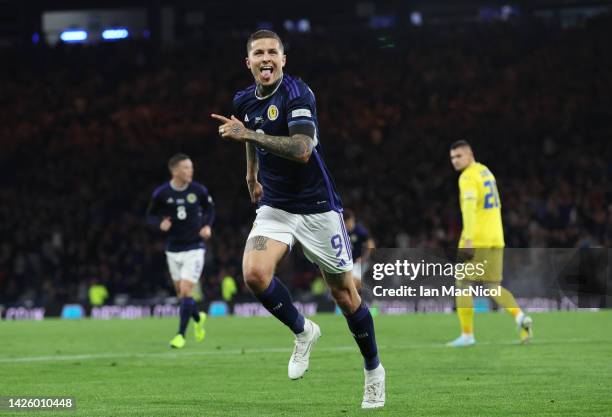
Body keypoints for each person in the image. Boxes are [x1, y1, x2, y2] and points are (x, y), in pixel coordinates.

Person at [211, 30, 385, 408]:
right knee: (254, 274)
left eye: (273, 51)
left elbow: (303, 150)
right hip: (275, 206)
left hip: (318, 208)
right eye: (259, 53)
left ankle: (373, 370)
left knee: (345, 295)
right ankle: (303, 330)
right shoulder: (243, 99)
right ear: (249, 62)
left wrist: (249, 136)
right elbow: (249, 137)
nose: (266, 58)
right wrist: (251, 175)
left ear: (283, 59)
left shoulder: (297, 94)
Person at [448, 140, 533, 347]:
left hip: (476, 239)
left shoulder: (467, 177)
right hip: (496, 237)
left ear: (470, 155)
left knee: (462, 285)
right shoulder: (486, 172)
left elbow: (468, 209)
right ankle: (521, 318)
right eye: (452, 158)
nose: (455, 161)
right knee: (493, 287)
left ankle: (467, 335)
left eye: (459, 156)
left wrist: (468, 239)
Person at [146, 153, 215, 349]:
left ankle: (180, 335)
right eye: (186, 168)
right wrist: (160, 223)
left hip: (194, 248)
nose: (190, 171)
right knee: (182, 295)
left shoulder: (199, 190)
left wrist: (207, 226)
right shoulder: (162, 193)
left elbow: (210, 210)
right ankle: (198, 317)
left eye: (191, 167)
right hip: (173, 249)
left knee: (186, 292)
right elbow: (150, 216)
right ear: (175, 171)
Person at [343, 209, 376, 291]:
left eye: (347, 222)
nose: (346, 224)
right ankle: (372, 301)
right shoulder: (345, 232)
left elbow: (371, 246)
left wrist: (363, 258)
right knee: (356, 286)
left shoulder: (360, 231)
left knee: (352, 283)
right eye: (344, 222)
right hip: (350, 264)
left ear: (352, 219)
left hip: (360, 263)